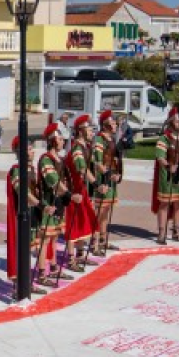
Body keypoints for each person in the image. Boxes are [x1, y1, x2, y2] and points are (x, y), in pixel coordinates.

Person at [5, 136, 46, 298]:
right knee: (21, 250)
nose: (32, 151)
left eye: (31, 148)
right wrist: (39, 204)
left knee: (30, 249)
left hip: (32, 214)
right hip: (20, 215)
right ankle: (18, 286)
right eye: (28, 149)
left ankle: (28, 282)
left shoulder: (31, 169)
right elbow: (22, 191)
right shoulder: (17, 169)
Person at [35, 123, 72, 287]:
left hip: (59, 203)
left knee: (55, 236)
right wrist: (67, 193)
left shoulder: (59, 158)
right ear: (53, 140)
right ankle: (42, 273)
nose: (63, 141)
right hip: (47, 203)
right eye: (60, 138)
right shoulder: (45, 159)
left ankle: (55, 267)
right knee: (45, 239)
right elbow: (53, 180)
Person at [63, 115, 100, 270]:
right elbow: (82, 170)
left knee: (84, 221)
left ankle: (79, 255)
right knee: (73, 224)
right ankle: (71, 259)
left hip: (81, 190)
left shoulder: (85, 147)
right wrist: (96, 184)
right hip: (73, 192)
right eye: (89, 128)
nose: (92, 130)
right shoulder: (77, 149)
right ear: (80, 131)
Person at [152, 113, 179, 245]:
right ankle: (162, 233)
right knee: (165, 204)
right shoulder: (164, 139)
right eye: (177, 121)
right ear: (170, 123)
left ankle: (176, 232)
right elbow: (160, 157)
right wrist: (168, 166)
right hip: (168, 176)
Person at [90, 110, 123, 256]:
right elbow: (97, 162)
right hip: (101, 180)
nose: (115, 124)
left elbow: (115, 160)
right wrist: (108, 174)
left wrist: (117, 174)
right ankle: (94, 242)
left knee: (106, 210)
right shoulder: (99, 140)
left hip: (110, 179)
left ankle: (103, 239)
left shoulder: (111, 139)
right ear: (105, 125)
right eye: (112, 122)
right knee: (99, 212)